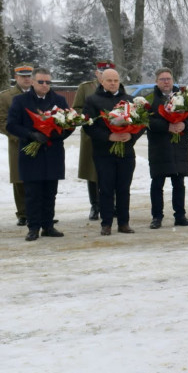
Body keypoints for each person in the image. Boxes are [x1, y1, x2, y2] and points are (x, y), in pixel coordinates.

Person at [4, 67, 72, 240]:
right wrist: (31, 134)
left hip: (53, 152)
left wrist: (57, 134)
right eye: (41, 82)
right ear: (33, 82)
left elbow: (69, 124)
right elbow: (11, 125)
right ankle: (33, 227)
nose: (44, 85)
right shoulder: (20, 100)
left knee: (50, 192)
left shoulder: (59, 100)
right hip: (31, 153)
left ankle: (48, 226)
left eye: (48, 82)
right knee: (33, 193)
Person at [84, 68, 145, 235]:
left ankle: (124, 223)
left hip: (126, 152)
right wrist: (109, 137)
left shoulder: (129, 100)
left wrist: (130, 137)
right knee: (106, 189)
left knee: (124, 188)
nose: (112, 83)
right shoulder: (92, 100)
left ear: (119, 82)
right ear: (102, 81)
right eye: (109, 80)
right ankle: (106, 223)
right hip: (104, 153)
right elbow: (89, 127)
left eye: (115, 80)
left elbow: (141, 124)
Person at [146, 68, 188, 229]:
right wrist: (167, 126)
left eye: (168, 78)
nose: (166, 81)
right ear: (156, 81)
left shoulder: (183, 98)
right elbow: (146, 121)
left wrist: (183, 124)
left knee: (179, 182)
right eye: (162, 79)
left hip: (178, 146)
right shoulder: (150, 99)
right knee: (157, 183)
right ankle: (157, 216)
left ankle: (180, 215)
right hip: (159, 146)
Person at [73, 60, 115, 220]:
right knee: (93, 172)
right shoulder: (85, 88)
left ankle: (113, 204)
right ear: (97, 73)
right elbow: (76, 108)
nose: (106, 75)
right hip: (91, 135)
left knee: (113, 171)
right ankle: (95, 205)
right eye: (102, 72)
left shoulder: (115, 86)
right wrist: (88, 116)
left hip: (113, 134)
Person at [0, 62, 34, 226]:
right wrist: (18, 136)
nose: (27, 80)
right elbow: (2, 121)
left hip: (38, 142)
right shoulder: (6, 96)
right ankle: (23, 213)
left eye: (29, 76)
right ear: (16, 77)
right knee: (20, 178)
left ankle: (38, 211)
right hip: (18, 143)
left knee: (38, 177)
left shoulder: (39, 93)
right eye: (23, 77)